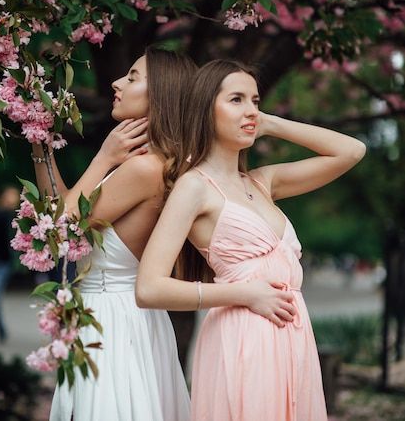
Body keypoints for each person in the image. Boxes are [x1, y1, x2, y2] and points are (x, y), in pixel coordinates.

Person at [136, 59, 366, 421]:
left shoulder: (264, 181)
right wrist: (244, 293)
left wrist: (272, 123)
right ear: (204, 108)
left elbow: (351, 151)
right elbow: (149, 289)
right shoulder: (193, 187)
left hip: (293, 336)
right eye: (236, 100)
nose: (251, 111)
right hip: (242, 338)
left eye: (255, 101)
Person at [31, 45, 196, 421]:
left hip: (114, 322)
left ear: (162, 96)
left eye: (134, 77)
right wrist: (40, 143)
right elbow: (66, 207)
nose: (117, 82)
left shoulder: (144, 169)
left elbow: (60, 232)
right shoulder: (154, 163)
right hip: (127, 318)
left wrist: (103, 157)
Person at [0, 184, 20, 342]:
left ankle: (1, 331)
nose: (15, 199)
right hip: (0, 261)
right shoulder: (4, 217)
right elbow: (7, 242)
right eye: (12, 196)